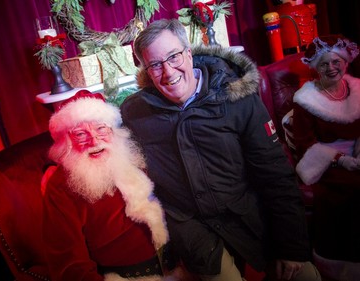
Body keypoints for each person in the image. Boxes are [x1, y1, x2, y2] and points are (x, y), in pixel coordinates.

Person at [120, 18, 321, 281]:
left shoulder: (236, 97)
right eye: (155, 65)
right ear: (146, 70)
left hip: (248, 214)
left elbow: (275, 175)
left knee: (305, 276)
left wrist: (292, 247)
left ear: (189, 53)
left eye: (174, 57)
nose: (168, 72)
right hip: (194, 229)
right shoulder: (135, 112)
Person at [42, 90, 169, 281]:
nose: (94, 140)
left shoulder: (134, 157)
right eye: (80, 134)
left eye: (101, 128)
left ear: (113, 130)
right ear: (66, 143)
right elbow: (69, 265)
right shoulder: (60, 187)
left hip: (178, 263)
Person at [292, 35, 360, 280]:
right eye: (324, 64)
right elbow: (305, 144)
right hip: (327, 164)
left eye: (336, 62)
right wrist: (340, 158)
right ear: (315, 68)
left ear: (345, 61)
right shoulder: (305, 100)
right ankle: (345, 267)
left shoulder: (357, 88)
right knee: (351, 189)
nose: (331, 68)